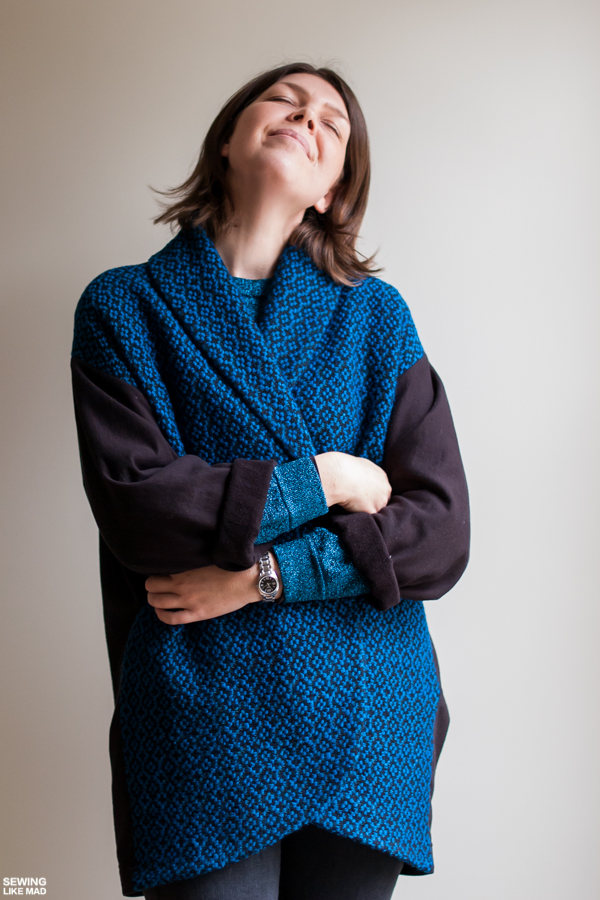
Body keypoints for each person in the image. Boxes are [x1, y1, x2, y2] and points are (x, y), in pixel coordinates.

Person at [71, 62, 470, 900]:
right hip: (204, 709)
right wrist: (323, 479)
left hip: (368, 710)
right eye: (285, 100)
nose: (306, 117)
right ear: (228, 138)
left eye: (332, 122)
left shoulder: (376, 317)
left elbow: (438, 532)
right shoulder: (124, 307)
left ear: (333, 192)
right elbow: (143, 509)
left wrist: (262, 576)